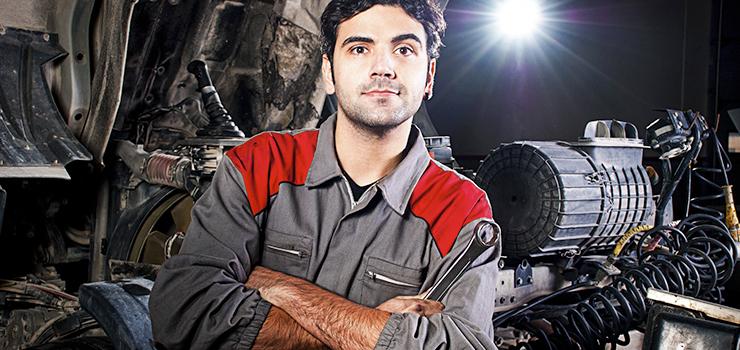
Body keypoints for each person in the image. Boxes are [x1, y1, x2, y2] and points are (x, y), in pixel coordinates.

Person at [149, 0, 500, 348]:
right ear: (328, 73)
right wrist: (368, 329)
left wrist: (281, 287)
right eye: (360, 48)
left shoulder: (462, 209)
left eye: (405, 49)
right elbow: (184, 311)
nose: (383, 67)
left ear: (429, 76)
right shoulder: (259, 164)